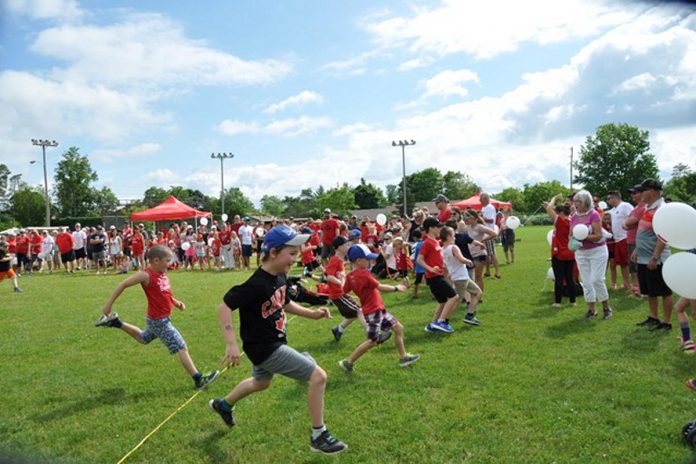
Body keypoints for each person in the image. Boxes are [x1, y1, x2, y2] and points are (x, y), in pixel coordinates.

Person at [209, 226, 347, 456]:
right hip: (264, 348)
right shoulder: (256, 284)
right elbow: (224, 307)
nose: (295, 259)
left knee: (261, 382)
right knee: (318, 376)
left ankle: (223, 405)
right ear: (273, 253)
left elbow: (283, 303)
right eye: (291, 254)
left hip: (271, 342)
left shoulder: (280, 276)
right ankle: (318, 435)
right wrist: (231, 343)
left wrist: (313, 314)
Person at [95, 245, 219, 388]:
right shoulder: (146, 275)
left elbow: (165, 293)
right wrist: (108, 306)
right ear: (156, 260)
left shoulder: (163, 272)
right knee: (181, 347)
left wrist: (175, 302)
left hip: (159, 318)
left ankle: (116, 323)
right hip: (160, 321)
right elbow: (123, 284)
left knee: (143, 338)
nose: (170, 263)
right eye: (167, 260)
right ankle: (198, 379)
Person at [339, 243, 420, 373]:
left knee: (398, 328)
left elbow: (344, 290)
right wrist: (396, 288)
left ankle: (404, 358)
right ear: (359, 261)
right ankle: (348, 362)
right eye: (367, 259)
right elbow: (380, 287)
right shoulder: (364, 274)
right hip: (373, 312)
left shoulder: (350, 276)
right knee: (372, 341)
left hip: (378, 309)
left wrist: (343, 279)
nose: (370, 261)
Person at [633, 179, 673, 331]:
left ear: (654, 191)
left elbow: (663, 236)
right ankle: (653, 317)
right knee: (650, 291)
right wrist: (638, 248)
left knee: (664, 291)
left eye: (644, 190)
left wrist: (655, 257)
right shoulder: (649, 208)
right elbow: (645, 231)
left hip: (656, 259)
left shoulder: (662, 209)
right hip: (644, 257)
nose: (640, 193)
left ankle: (667, 322)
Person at [570, 190, 612, 319]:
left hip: (597, 251)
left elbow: (598, 235)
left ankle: (606, 308)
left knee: (597, 280)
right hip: (581, 253)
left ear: (585, 202)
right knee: (587, 282)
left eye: (578, 201)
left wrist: (583, 237)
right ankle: (591, 310)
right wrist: (571, 242)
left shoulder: (594, 215)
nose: (575, 204)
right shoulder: (575, 216)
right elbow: (571, 234)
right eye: (575, 201)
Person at [416, 217, 460, 333]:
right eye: (437, 227)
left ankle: (431, 326)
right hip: (434, 277)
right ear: (431, 228)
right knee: (454, 297)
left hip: (438, 276)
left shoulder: (435, 241)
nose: (440, 229)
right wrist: (431, 269)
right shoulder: (427, 243)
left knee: (442, 302)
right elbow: (419, 260)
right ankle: (442, 321)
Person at [441, 226, 482, 326]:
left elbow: (445, 266)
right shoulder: (453, 247)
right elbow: (461, 258)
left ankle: (470, 315)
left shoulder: (442, 249)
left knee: (477, 292)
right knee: (456, 301)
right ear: (448, 237)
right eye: (453, 236)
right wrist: (469, 261)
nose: (455, 237)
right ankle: (443, 320)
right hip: (460, 277)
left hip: (460, 276)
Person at [325, 236, 364, 341]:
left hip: (340, 293)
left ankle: (339, 329)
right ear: (339, 247)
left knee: (353, 313)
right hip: (337, 294)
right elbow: (328, 276)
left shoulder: (340, 260)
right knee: (360, 311)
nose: (348, 246)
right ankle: (374, 335)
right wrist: (340, 283)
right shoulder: (335, 260)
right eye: (346, 245)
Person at [544, 195, 576, 307]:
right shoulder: (573, 220)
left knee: (559, 278)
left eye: (557, 212)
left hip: (559, 254)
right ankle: (573, 301)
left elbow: (549, 208)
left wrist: (554, 198)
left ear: (561, 213)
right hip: (571, 253)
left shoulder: (560, 221)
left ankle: (558, 302)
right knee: (570, 278)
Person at [622, 185, 647, 296]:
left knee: (638, 267)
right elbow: (627, 223)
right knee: (633, 267)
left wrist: (626, 223)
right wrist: (626, 223)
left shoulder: (642, 208)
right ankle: (636, 289)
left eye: (634, 193)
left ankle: (641, 290)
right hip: (631, 240)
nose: (632, 195)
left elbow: (627, 223)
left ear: (641, 194)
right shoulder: (636, 208)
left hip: (637, 241)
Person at [606, 191, 633, 290]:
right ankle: (626, 283)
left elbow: (633, 217)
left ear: (615, 197)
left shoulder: (625, 206)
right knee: (622, 263)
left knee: (630, 263)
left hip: (625, 237)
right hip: (617, 240)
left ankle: (635, 284)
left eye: (609, 198)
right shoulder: (612, 210)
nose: (608, 201)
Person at [480, 193, 501, 279]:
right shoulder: (484, 207)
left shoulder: (489, 207)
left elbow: (491, 220)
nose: (480, 201)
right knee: (487, 254)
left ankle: (497, 272)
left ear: (485, 199)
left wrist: (480, 217)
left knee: (492, 253)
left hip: (489, 232)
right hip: (485, 232)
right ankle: (487, 271)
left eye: (481, 200)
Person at [410, 228, 426, 299]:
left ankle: (414, 295)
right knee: (430, 281)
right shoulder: (425, 243)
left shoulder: (415, 245)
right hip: (427, 265)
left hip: (419, 267)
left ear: (414, 237)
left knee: (417, 281)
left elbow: (413, 258)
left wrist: (413, 268)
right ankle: (434, 295)